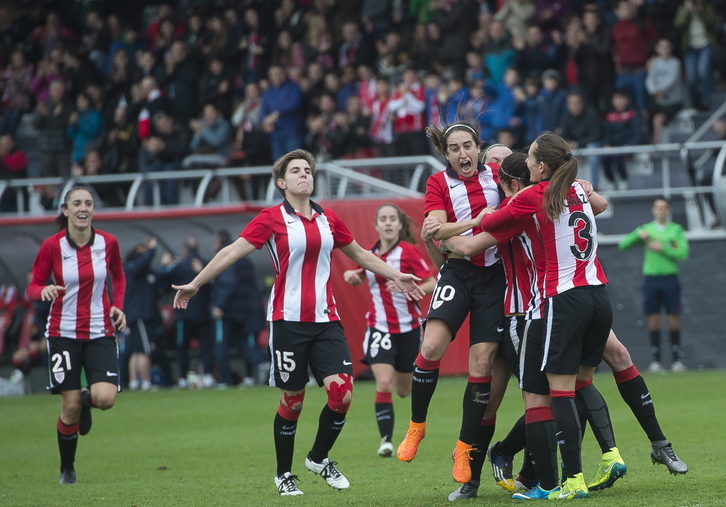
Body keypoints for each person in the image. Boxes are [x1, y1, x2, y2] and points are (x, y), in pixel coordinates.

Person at [171, 149, 425, 496]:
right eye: (296, 170)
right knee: (294, 400)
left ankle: (318, 459)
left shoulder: (329, 218)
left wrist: (399, 276)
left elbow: (362, 255)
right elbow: (232, 251)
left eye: (308, 170)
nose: (304, 174)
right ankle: (283, 474)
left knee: (343, 393)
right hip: (287, 322)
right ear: (282, 182)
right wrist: (196, 283)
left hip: (326, 320)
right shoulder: (271, 218)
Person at [472, 131, 616, 499]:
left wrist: (489, 211)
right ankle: (547, 484)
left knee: (560, 393)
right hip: (597, 294)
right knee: (547, 390)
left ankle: (571, 480)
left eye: (532, 156)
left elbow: (489, 225)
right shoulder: (579, 191)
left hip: (560, 300)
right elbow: (600, 205)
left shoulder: (534, 194)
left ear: (539, 166)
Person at [396, 120, 506, 487]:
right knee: (430, 345)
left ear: (479, 147)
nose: (463, 153)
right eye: (455, 148)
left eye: (469, 146)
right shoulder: (438, 183)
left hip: (495, 278)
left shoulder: (498, 175)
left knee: (482, 362)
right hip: (459, 272)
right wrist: (475, 221)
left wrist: (579, 183)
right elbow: (434, 229)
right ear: (446, 154)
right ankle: (416, 427)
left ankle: (463, 448)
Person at [26, 185, 127, 484]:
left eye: (88, 203)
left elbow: (119, 276)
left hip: (100, 331)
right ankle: (67, 469)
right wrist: (42, 290)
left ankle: (88, 400)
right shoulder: (52, 247)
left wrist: (118, 306)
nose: (83, 208)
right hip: (62, 333)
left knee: (106, 398)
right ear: (66, 210)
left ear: (93, 210)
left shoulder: (108, 243)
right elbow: (33, 285)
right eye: (77, 203)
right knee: (68, 408)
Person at [343, 204, 435, 457]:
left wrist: (410, 288)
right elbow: (361, 272)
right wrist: (353, 275)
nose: (387, 223)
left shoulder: (408, 252)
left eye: (392, 219)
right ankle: (386, 441)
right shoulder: (370, 252)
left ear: (399, 224)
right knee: (383, 383)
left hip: (409, 329)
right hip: (379, 327)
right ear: (376, 225)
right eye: (382, 219)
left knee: (403, 390)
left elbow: (432, 282)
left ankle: (416, 421)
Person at [618, 198, 689, 373]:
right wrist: (637, 235)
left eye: (664, 208)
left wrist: (663, 248)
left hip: (670, 279)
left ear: (669, 210)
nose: (661, 211)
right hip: (651, 280)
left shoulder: (676, 230)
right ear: (653, 210)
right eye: (658, 208)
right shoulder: (646, 229)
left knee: (673, 319)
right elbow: (623, 245)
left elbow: (683, 253)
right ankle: (657, 362)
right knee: (653, 320)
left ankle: (677, 361)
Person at [210, 229, 267, 388]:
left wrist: (219, 304)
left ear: (219, 242)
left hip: (230, 310)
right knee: (243, 342)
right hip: (244, 310)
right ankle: (253, 371)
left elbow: (229, 283)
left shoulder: (227, 256)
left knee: (223, 343)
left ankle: (226, 378)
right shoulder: (245, 259)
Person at [122, 237, 159, 391]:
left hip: (133, 315)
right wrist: (151, 249)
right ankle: (146, 381)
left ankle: (134, 382)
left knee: (136, 350)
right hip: (140, 315)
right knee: (144, 350)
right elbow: (142, 264)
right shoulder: (132, 269)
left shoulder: (133, 272)